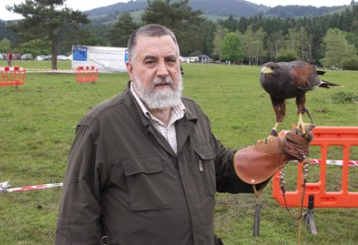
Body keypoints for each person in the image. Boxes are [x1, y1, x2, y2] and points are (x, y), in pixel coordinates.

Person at [55, 24, 313, 245]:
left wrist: (274, 154)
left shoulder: (193, 113)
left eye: (170, 60)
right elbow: (76, 217)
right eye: (150, 61)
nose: (163, 70)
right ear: (131, 69)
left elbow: (221, 170)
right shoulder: (101, 126)